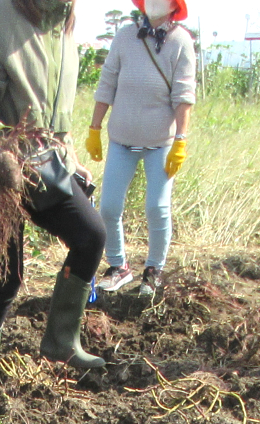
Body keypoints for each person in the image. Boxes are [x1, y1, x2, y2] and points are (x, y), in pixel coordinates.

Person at [0, 0, 106, 389]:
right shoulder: (1, 15)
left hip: (45, 161)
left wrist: (71, 158)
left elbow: (54, 112)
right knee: (5, 276)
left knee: (91, 235)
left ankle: (61, 341)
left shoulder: (63, 20)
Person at [84, 0, 195, 300]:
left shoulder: (181, 41)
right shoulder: (124, 36)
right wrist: (94, 128)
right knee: (109, 207)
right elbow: (107, 83)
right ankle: (118, 266)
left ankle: (154, 270)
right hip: (121, 140)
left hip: (161, 143)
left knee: (157, 208)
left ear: (174, 5)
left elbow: (184, 95)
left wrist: (181, 140)